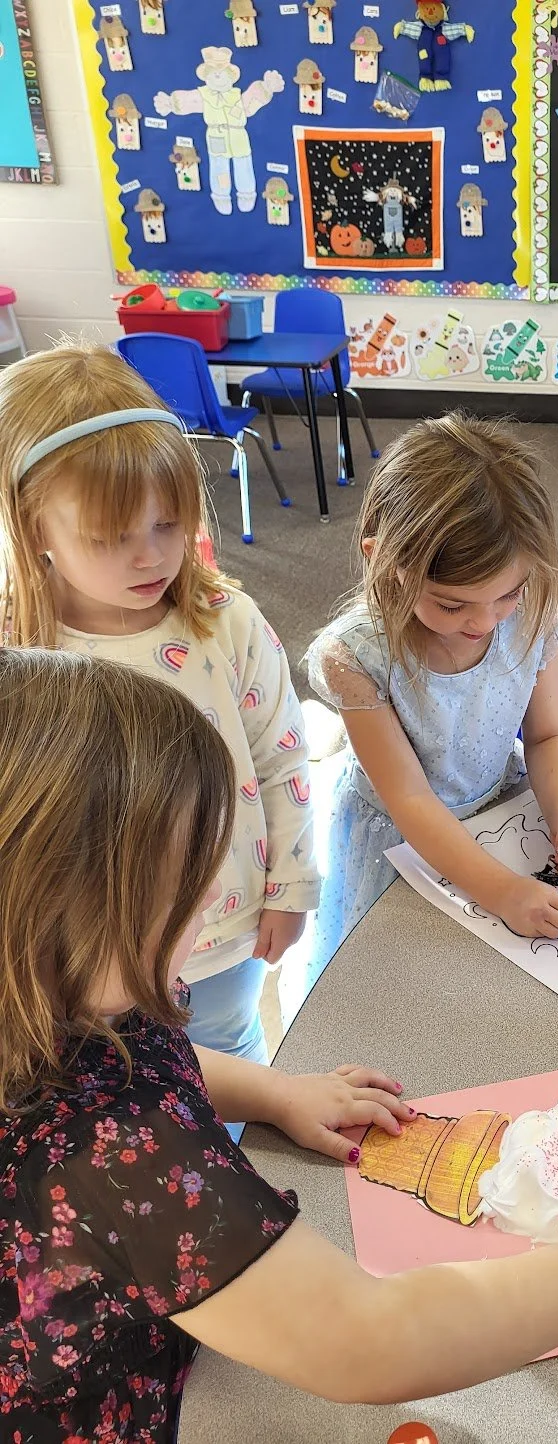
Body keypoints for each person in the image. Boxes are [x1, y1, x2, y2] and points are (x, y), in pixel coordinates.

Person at [0, 649, 558, 1441]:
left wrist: (272, 1092)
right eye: (189, 885)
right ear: (74, 919)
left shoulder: (62, 990)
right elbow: (369, 1340)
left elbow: (139, 1060)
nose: (215, 897)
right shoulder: (118, 1162)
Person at [0, 343, 319, 1082]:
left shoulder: (224, 621)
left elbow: (284, 758)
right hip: (77, 952)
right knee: (96, 1084)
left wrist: (294, 885)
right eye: (113, 537)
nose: (151, 558)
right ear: (33, 526)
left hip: (222, 926)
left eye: (169, 525)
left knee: (228, 1055)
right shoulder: (18, 647)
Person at [307, 413, 558, 963]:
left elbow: (547, 736)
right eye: (451, 603)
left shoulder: (532, 616)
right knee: (409, 980)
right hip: (401, 838)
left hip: (500, 812)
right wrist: (504, 892)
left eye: (508, 594)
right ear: (384, 561)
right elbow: (411, 801)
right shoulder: (358, 657)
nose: (485, 622)